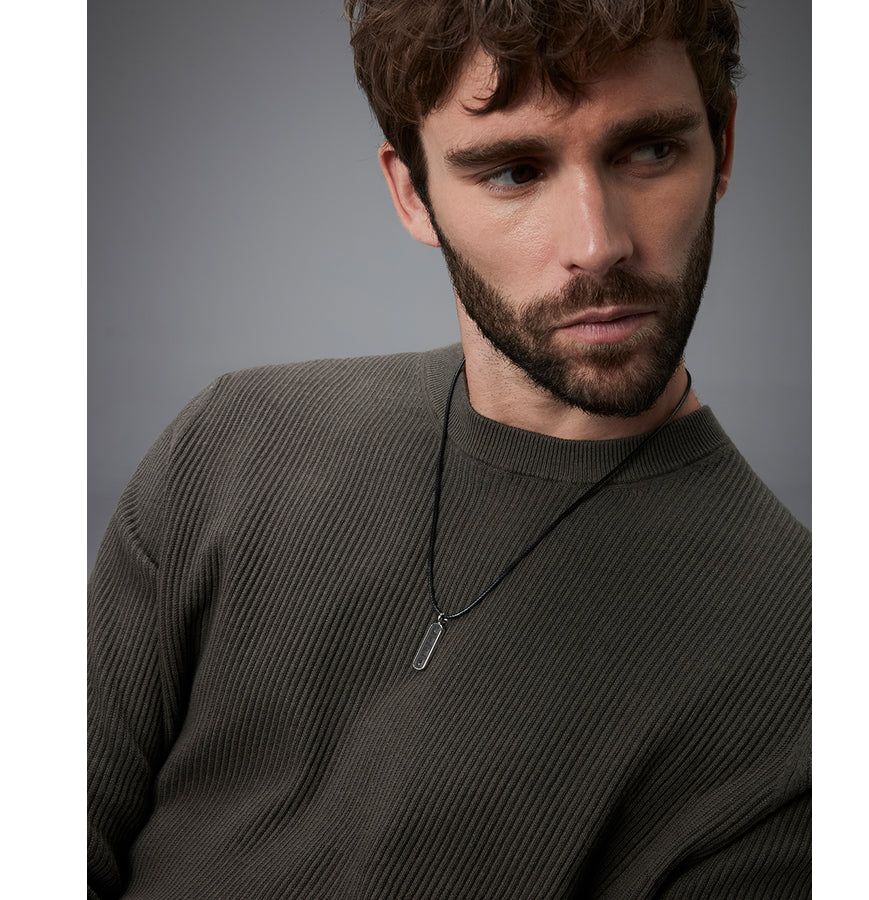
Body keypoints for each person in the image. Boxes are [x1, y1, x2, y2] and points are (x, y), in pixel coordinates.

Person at [88, 1, 811, 897]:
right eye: (514, 171)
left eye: (649, 151)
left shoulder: (805, 675)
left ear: (723, 148)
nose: (598, 245)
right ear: (413, 193)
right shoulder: (233, 447)